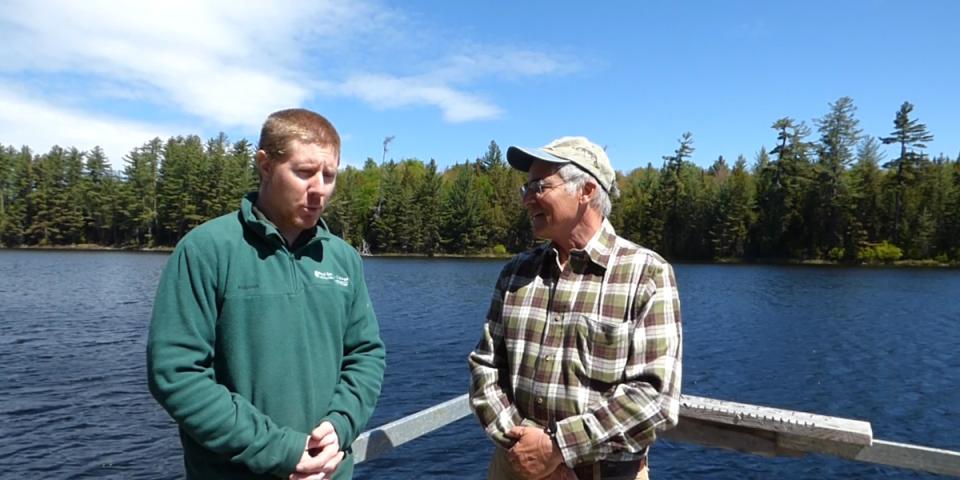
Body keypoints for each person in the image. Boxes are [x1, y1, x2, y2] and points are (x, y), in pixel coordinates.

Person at [147, 108, 385, 480]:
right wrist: (282, 450)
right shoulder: (207, 250)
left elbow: (365, 355)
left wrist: (341, 424)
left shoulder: (344, 260)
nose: (319, 188)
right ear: (264, 165)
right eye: (304, 172)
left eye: (329, 175)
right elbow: (177, 374)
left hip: (330, 472)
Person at [468, 136, 682, 480]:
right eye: (526, 187)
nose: (526, 199)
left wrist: (556, 449)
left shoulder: (646, 274)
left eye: (538, 186)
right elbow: (486, 368)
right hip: (515, 467)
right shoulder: (515, 273)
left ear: (586, 190)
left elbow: (654, 398)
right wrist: (524, 449)